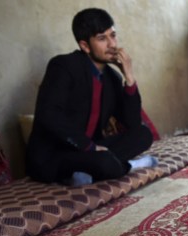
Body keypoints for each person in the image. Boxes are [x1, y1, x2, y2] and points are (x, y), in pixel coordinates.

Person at [26, 8, 157, 186]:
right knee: (103, 161)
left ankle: (84, 173)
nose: (112, 44)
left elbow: (132, 123)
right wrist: (90, 147)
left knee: (143, 134)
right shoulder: (63, 65)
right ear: (85, 46)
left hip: (89, 151)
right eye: (102, 38)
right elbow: (48, 115)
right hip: (54, 155)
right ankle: (130, 166)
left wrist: (129, 77)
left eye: (113, 35)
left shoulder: (112, 77)